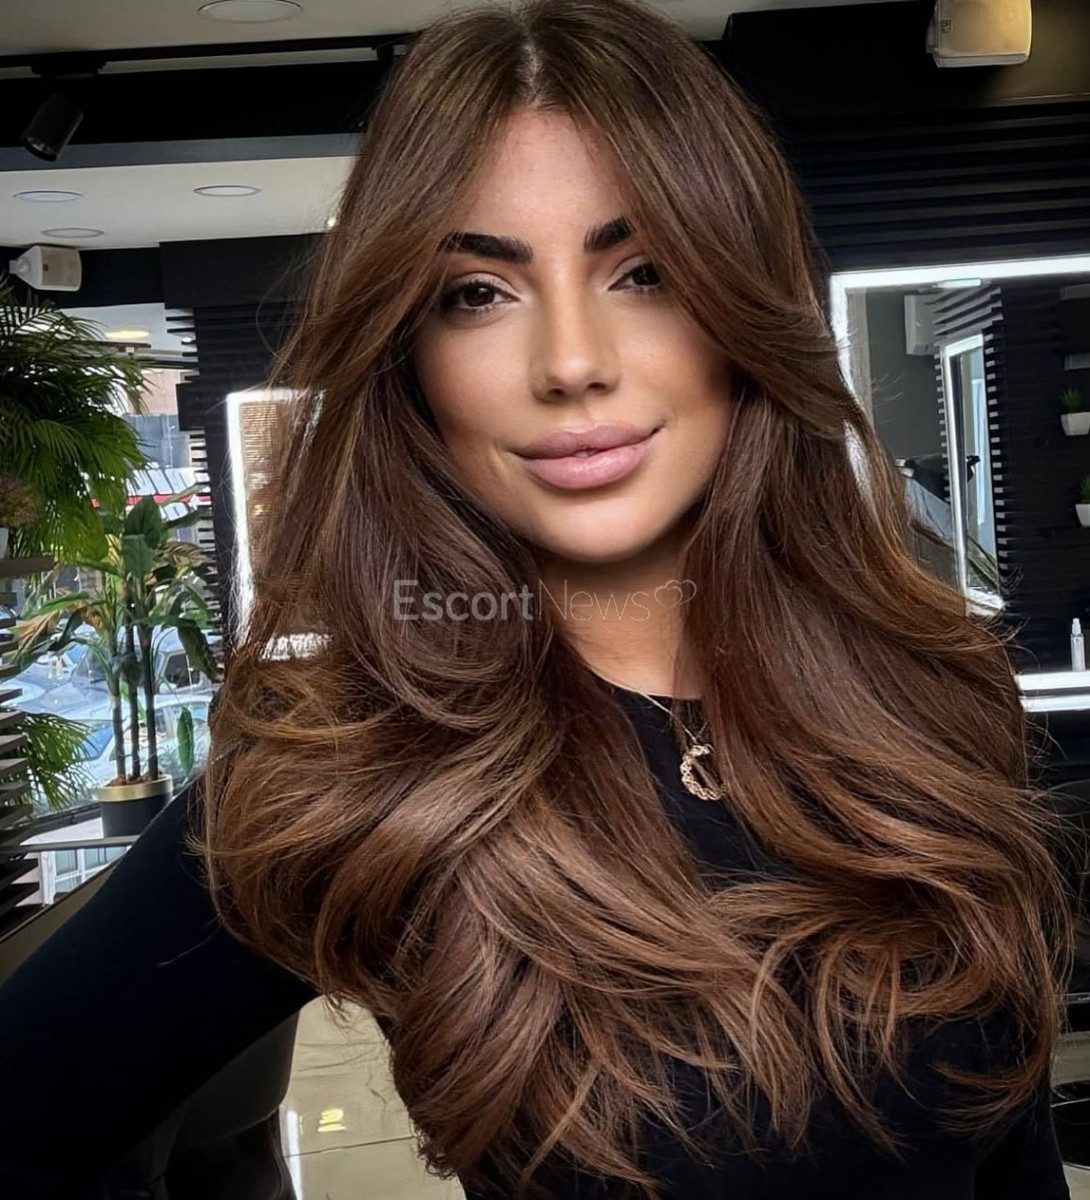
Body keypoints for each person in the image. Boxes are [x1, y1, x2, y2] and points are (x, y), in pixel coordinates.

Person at [0, 0, 1077, 1196]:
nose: (571, 362)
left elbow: (1012, 1144)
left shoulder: (932, 682)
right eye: (477, 292)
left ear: (744, 304)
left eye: (644, 272)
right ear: (408, 353)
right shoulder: (356, 763)